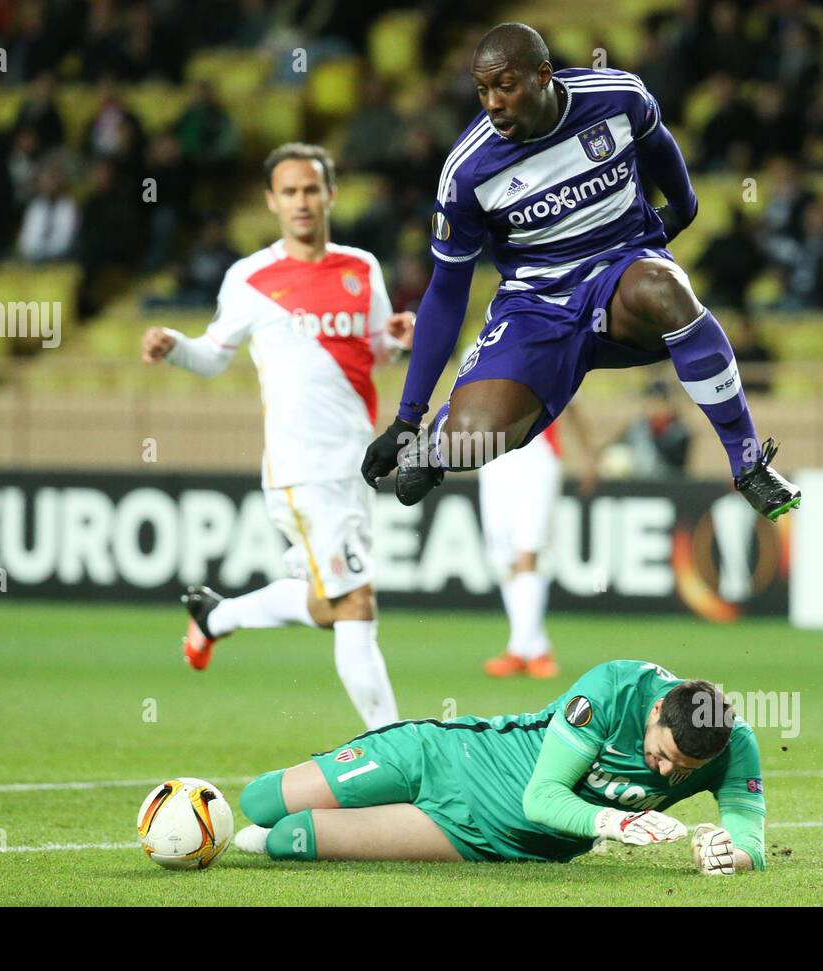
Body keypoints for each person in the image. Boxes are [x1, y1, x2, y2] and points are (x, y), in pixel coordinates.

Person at [361, 23, 799, 522]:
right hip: (534, 309)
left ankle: (747, 465)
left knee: (666, 288)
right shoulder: (468, 171)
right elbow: (445, 293)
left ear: (544, 75)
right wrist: (406, 418)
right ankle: (438, 446)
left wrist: (683, 207)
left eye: (505, 85)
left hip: (621, 279)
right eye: (483, 90)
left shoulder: (617, 97)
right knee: (474, 442)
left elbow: (658, 145)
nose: (493, 103)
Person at [140, 143, 414, 730]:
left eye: (311, 189)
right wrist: (176, 348)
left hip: (354, 464)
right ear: (271, 202)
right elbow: (213, 357)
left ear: (331, 194)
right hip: (299, 467)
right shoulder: (250, 277)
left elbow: (376, 351)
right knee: (357, 602)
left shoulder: (361, 268)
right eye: (289, 192)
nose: (302, 202)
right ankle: (395, 749)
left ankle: (218, 617)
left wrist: (400, 338)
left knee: (333, 601)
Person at [233, 658, 765, 874]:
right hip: (440, 757)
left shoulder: (732, 744)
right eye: (662, 755)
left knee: (288, 840)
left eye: (685, 770)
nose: (668, 774)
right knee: (259, 803)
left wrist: (727, 857)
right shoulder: (616, 689)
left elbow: (752, 846)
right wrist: (615, 823)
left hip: (485, 840)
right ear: (655, 711)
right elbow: (543, 796)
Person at [478, 405, 597, 680]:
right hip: (493, 456)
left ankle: (519, 650)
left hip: (536, 455)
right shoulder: (474, 360)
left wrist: (588, 455)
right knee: (501, 559)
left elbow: (572, 405)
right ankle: (536, 648)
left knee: (527, 553)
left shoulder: (548, 360)